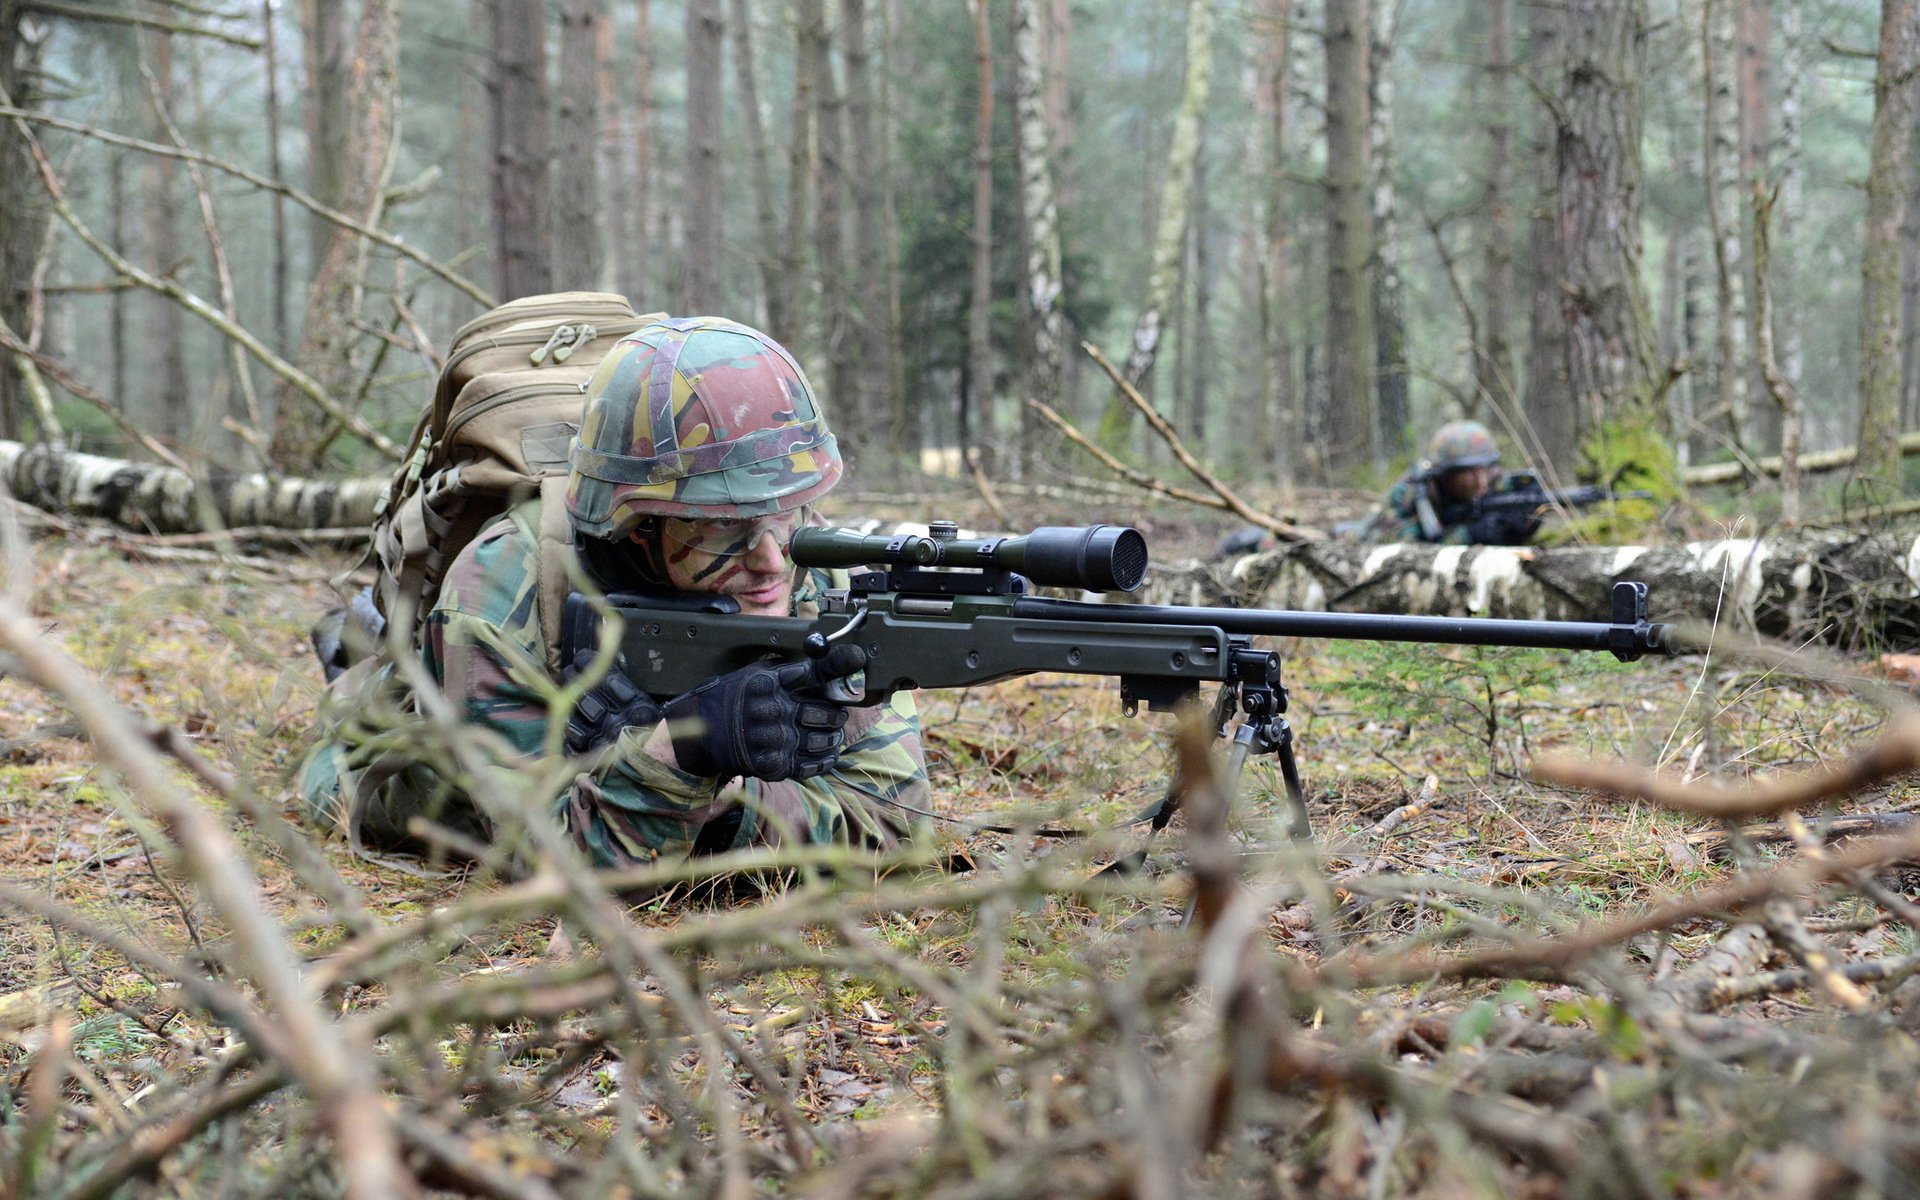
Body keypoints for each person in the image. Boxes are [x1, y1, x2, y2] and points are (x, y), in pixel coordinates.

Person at [301, 316, 929, 868]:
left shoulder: (815, 565)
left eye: (787, 513)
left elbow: (895, 819)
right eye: (719, 527)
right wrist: (684, 749)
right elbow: (543, 858)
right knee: (352, 751)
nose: (771, 561)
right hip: (430, 769)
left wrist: (724, 801)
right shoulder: (504, 586)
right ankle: (357, 652)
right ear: (635, 524)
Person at [1354, 420, 1534, 546]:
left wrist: (1526, 522)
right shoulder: (1410, 494)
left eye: (1485, 470)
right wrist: (1468, 535)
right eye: (1470, 475)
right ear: (1446, 474)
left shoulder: (1494, 480)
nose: (1482, 482)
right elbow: (1402, 550)